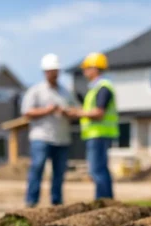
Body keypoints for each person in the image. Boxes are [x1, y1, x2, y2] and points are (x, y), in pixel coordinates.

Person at [20, 53, 78, 207]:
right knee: (37, 167)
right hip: (41, 137)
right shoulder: (36, 91)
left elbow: (76, 111)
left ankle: (56, 202)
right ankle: (31, 201)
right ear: (45, 72)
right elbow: (27, 112)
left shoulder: (66, 92)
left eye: (55, 71)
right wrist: (47, 110)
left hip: (62, 138)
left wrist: (66, 112)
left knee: (59, 172)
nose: (53, 74)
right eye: (51, 71)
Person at [67, 52, 119, 200]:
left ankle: (102, 201)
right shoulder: (97, 88)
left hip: (98, 134)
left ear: (95, 69)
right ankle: (106, 201)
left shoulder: (103, 87)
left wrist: (77, 113)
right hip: (97, 134)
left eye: (86, 68)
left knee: (97, 170)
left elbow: (99, 113)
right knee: (100, 169)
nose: (84, 72)